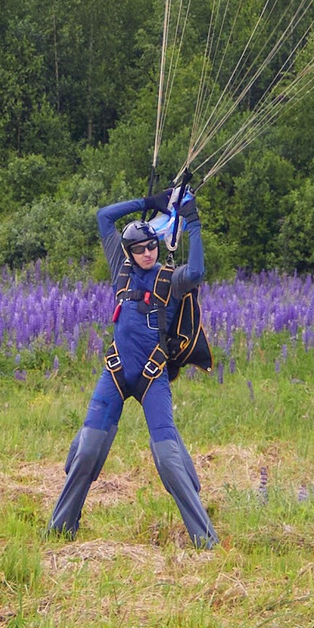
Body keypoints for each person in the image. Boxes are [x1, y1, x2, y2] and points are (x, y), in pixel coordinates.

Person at [48, 187, 216, 545]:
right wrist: (148, 203)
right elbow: (104, 217)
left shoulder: (170, 279)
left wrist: (193, 221)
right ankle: (60, 531)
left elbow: (198, 271)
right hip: (116, 372)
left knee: (168, 462)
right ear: (128, 252)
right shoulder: (119, 270)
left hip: (153, 377)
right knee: (89, 452)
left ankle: (205, 540)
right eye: (139, 249)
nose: (147, 253)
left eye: (152, 246)